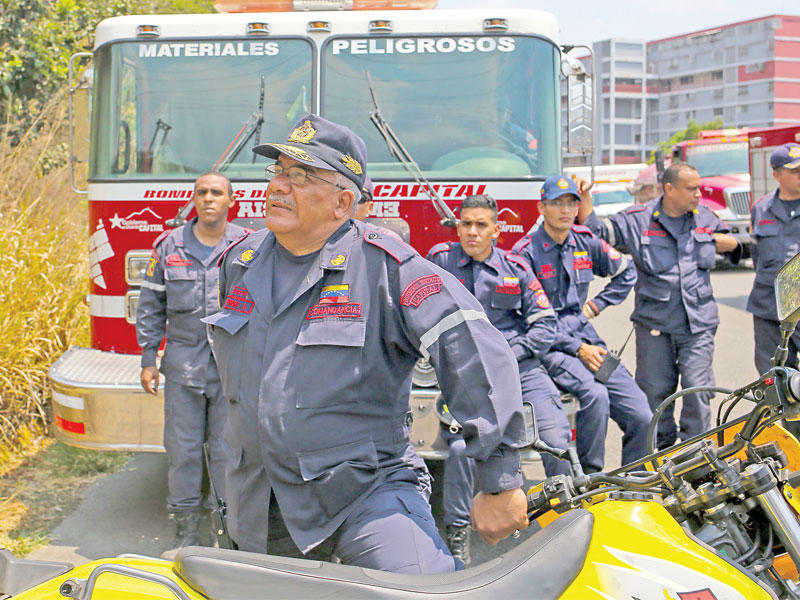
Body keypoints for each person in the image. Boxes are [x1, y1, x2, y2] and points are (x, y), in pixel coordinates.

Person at [203, 114, 528, 574]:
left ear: (342, 202)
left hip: (364, 494)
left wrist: (499, 478)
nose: (278, 185)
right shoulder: (239, 262)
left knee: (423, 588)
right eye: (277, 171)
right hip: (259, 498)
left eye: (300, 176)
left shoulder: (388, 269)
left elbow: (473, 347)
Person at [426, 193, 571, 565]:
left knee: (556, 440)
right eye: (465, 224)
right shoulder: (438, 263)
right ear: (457, 226)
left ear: (497, 230)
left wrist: (504, 354)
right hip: (464, 377)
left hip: (521, 370)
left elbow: (545, 326)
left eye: (481, 225)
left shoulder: (516, 268)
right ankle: (458, 533)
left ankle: (566, 523)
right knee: (458, 449)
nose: (472, 232)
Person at [577, 163, 741, 449]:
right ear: (669, 189)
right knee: (655, 394)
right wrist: (586, 199)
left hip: (698, 324)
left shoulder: (703, 216)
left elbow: (730, 240)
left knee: (697, 390)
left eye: (699, 188)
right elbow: (597, 232)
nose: (698, 194)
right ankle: (664, 452)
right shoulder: (638, 219)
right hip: (654, 326)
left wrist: (719, 240)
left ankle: (695, 452)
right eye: (691, 189)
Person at [136, 171, 247, 547]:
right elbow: (150, 305)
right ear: (194, 200)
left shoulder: (246, 248)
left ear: (231, 201)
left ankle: (225, 528)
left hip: (231, 369)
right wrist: (148, 357)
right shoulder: (169, 247)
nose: (209, 198)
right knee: (182, 452)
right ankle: (185, 530)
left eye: (217, 192)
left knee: (226, 451)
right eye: (202, 192)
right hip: (183, 367)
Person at [512, 176, 652, 472]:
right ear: (541, 208)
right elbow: (524, 320)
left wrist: (594, 306)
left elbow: (626, 271)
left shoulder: (585, 241)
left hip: (584, 336)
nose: (566, 210)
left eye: (571, 203)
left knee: (641, 414)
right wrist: (577, 349)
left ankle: (634, 483)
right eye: (557, 204)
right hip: (549, 343)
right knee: (596, 396)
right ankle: (590, 478)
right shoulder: (524, 253)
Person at [748, 143, 800, 377]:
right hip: (770, 308)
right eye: (795, 171)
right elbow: (756, 254)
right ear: (776, 174)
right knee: (774, 378)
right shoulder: (761, 209)